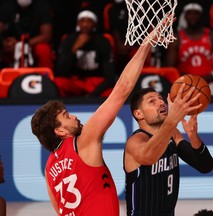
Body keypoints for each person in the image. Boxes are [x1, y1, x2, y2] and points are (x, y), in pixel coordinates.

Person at [30, 16, 173, 215]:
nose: (75, 117)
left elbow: (59, 210)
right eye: (66, 115)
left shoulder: (49, 168)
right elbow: (122, 90)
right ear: (60, 130)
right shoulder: (83, 141)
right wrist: (147, 42)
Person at [124, 87, 213, 215]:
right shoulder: (135, 141)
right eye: (152, 101)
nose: (161, 103)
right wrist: (172, 120)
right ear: (139, 114)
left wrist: (193, 136)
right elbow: (149, 157)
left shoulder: (172, 134)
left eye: (161, 99)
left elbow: (206, 166)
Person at [166, 2, 213, 95]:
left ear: (201, 16)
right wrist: (187, 80)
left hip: (209, 82)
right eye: (189, 13)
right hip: (185, 83)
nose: (193, 16)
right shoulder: (177, 38)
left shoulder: (212, 36)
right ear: (185, 16)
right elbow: (171, 69)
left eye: (196, 13)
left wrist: (201, 80)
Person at [53, 10, 117, 98]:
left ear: (94, 24)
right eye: (82, 21)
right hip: (76, 81)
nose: (85, 25)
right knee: (58, 83)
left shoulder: (103, 42)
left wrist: (92, 95)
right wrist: (75, 49)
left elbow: (110, 76)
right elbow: (61, 71)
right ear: (78, 23)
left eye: (89, 21)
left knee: (112, 91)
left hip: (96, 82)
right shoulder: (69, 40)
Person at [0, 0, 54, 69]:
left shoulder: (42, 5)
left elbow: (47, 36)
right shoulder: (7, 6)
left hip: (33, 44)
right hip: (12, 47)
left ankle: (45, 77)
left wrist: (22, 44)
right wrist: (4, 42)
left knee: (43, 50)